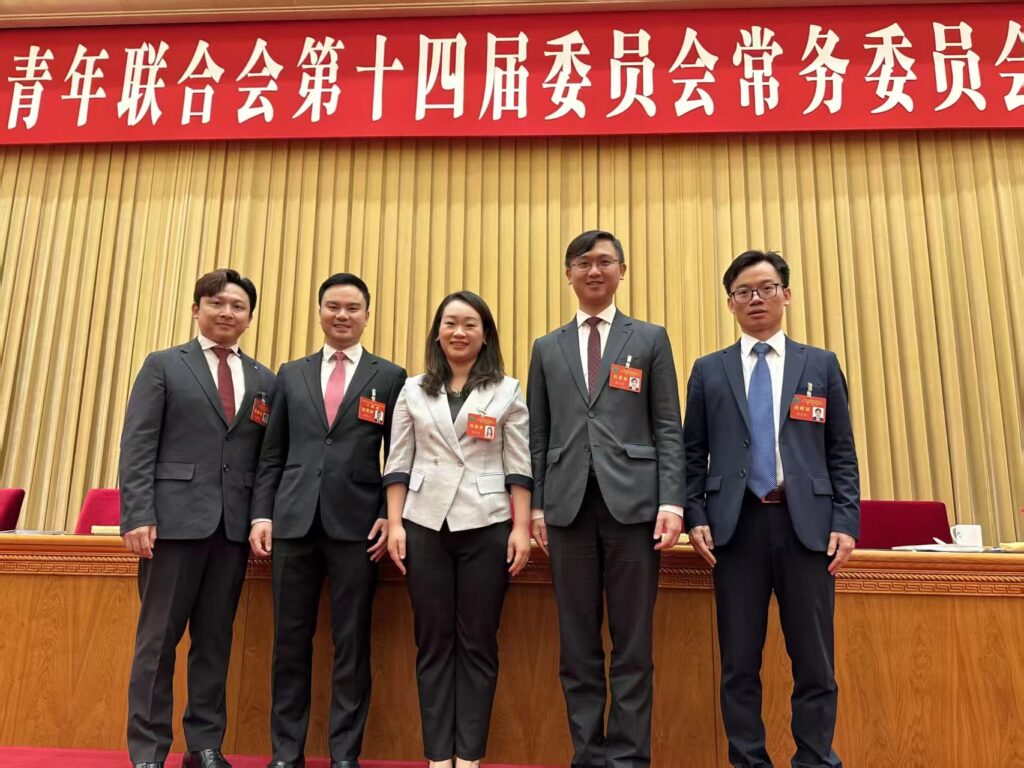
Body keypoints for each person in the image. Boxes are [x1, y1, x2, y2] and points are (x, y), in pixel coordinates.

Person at [683, 250, 859, 768]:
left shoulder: (819, 364)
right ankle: (748, 761)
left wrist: (846, 520)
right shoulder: (708, 370)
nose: (755, 299)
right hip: (735, 529)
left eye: (766, 288)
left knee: (815, 663)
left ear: (786, 294)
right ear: (730, 303)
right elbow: (692, 453)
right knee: (738, 663)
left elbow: (841, 451)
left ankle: (814, 760)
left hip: (808, 529)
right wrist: (696, 515)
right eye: (743, 292)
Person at [527, 230, 685, 768]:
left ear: (621, 270)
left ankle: (629, 759)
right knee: (577, 647)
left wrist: (672, 503)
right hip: (567, 509)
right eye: (582, 262)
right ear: (568, 274)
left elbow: (668, 426)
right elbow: (539, 435)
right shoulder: (546, 347)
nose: (593, 271)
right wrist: (538, 507)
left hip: (635, 509)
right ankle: (588, 756)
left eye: (604, 261)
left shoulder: (651, 339)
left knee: (633, 646)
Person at [120, 268, 276, 768]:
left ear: (249, 317)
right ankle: (148, 751)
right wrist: (137, 513)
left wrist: (260, 516)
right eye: (217, 303)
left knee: (215, 641)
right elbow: (138, 443)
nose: (227, 312)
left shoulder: (264, 380)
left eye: (238, 306)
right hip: (171, 525)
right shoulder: (164, 365)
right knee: (157, 642)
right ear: (196, 309)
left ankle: (204, 746)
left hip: (231, 531)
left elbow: (264, 460)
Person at [249, 273, 406, 768]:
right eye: (333, 306)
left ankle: (344, 755)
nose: (342, 315)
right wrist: (262, 514)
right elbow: (271, 454)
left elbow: (399, 456)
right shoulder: (290, 374)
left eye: (352, 308)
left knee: (352, 642)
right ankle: (285, 754)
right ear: (319, 312)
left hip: (358, 528)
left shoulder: (390, 376)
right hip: (292, 523)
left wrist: (387, 515)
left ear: (367, 315)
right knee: (289, 642)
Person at [384, 291, 532, 768]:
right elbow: (397, 461)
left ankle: (468, 757)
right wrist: (395, 522)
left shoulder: (507, 389)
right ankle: (437, 757)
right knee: (432, 643)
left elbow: (519, 466)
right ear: (437, 333)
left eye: (470, 324)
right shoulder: (413, 389)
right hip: (423, 523)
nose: (459, 332)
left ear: (485, 335)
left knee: (478, 643)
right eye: (450, 323)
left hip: (487, 524)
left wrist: (521, 528)